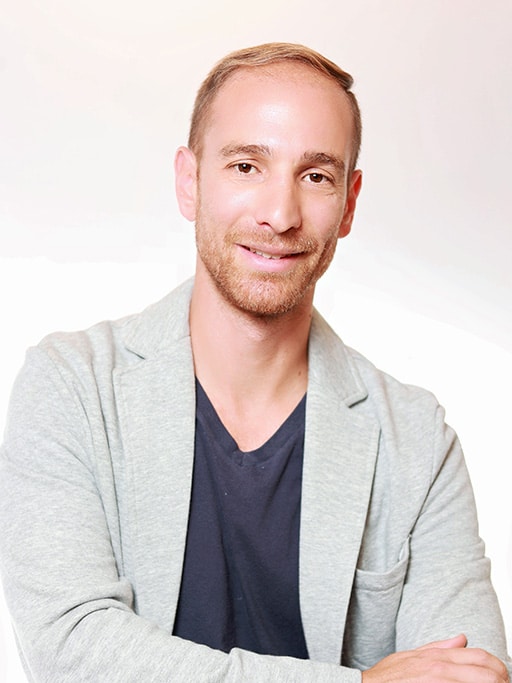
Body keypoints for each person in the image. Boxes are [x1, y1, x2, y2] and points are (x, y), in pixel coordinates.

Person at [0, 42, 510, 683]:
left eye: (316, 176)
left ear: (349, 203)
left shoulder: (415, 439)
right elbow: (71, 650)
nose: (280, 214)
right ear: (190, 182)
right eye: (246, 166)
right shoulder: (72, 387)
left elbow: (471, 673)